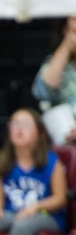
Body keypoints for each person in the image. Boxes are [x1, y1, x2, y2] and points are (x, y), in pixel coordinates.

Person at [32, 16, 76, 145]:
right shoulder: (57, 62)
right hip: (65, 143)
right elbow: (43, 90)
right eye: (73, 31)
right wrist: (66, 46)